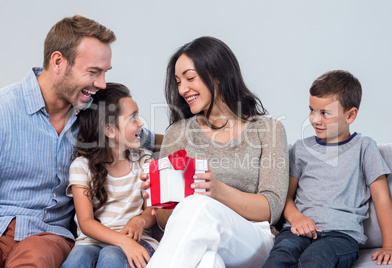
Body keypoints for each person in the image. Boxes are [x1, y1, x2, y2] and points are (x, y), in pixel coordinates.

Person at [0, 15, 159, 267]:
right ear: (58, 62)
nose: (101, 84)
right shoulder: (5, 109)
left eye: (105, 73)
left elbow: (143, 137)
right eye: (93, 72)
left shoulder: (94, 114)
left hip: (45, 235)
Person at [142, 36, 289, 268]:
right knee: (209, 261)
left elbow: (271, 209)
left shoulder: (268, 129)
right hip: (202, 236)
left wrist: (217, 191)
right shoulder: (177, 133)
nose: (182, 89)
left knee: (198, 204)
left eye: (190, 78)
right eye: (178, 82)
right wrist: (160, 197)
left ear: (217, 76)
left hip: (254, 239)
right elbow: (165, 222)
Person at [263, 70, 392, 267]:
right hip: (297, 231)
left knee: (315, 260)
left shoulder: (364, 147)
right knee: (279, 257)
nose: (315, 119)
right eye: (312, 110)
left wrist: (390, 245)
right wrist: (296, 218)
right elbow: (284, 196)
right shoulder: (301, 148)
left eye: (325, 113)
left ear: (350, 115)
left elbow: (381, 198)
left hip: (341, 236)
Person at [61, 83, 158, 268]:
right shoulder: (82, 167)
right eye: (133, 118)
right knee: (77, 259)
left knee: (111, 257)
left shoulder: (144, 161)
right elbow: (86, 222)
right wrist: (122, 241)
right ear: (110, 130)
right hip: (93, 242)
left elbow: (151, 210)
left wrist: (140, 221)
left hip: (137, 242)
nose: (141, 123)